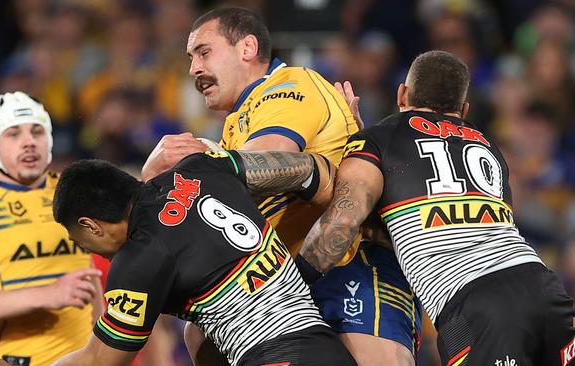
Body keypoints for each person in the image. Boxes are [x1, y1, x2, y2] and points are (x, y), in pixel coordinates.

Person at [141, 6, 420, 365]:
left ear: (247, 48)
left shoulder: (287, 86)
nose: (194, 68)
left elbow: (270, 159)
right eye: (191, 57)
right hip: (292, 280)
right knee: (199, 333)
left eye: (204, 52)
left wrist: (188, 166)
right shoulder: (237, 122)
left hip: (350, 263)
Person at [296, 50, 575, 365]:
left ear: (402, 93)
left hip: (478, 306)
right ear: (464, 109)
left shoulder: (380, 139)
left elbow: (343, 222)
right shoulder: (489, 145)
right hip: (545, 287)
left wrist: (294, 282)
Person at [44, 150, 354, 366]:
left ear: (90, 225)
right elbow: (309, 170)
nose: (86, 249)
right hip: (331, 351)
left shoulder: (138, 260)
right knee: (198, 334)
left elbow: (99, 360)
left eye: (78, 240)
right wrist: (305, 269)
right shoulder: (202, 167)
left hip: (274, 358)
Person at [0, 91, 103, 366]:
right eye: (13, 134)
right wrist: (48, 294)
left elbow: (89, 277)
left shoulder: (71, 191)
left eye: (37, 132)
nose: (28, 142)